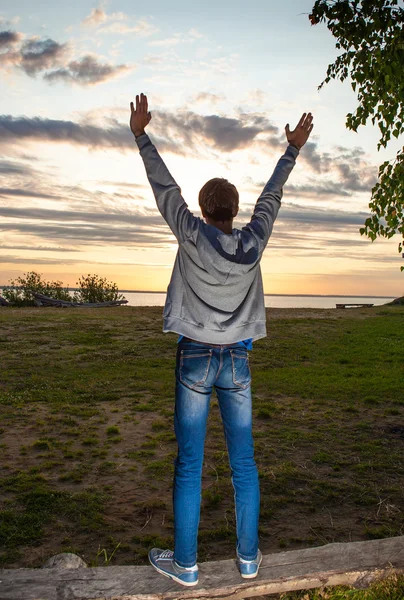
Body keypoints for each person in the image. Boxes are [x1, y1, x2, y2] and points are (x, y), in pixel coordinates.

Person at [130, 94, 313, 587]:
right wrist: (291, 150)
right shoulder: (253, 242)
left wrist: (141, 134)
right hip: (237, 363)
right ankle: (248, 560)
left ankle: (185, 565)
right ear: (233, 212)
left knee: (190, 462)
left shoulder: (190, 234)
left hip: (193, 358)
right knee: (244, 463)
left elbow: (163, 187)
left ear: (204, 210)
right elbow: (271, 199)